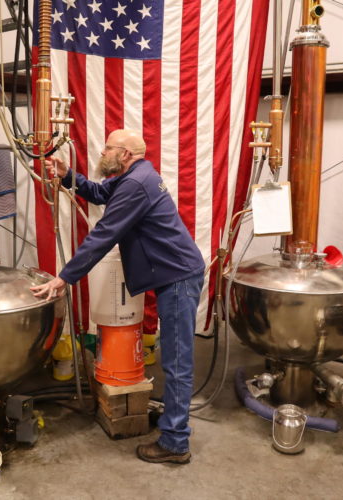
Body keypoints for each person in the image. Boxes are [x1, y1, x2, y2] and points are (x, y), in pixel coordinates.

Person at [31, 129, 205, 464]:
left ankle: (176, 443)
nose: (102, 152)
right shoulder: (133, 177)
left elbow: (104, 234)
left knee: (177, 361)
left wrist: (64, 278)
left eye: (108, 148)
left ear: (125, 154)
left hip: (179, 278)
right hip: (174, 274)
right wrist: (68, 176)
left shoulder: (136, 184)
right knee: (175, 357)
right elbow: (97, 192)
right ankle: (173, 423)